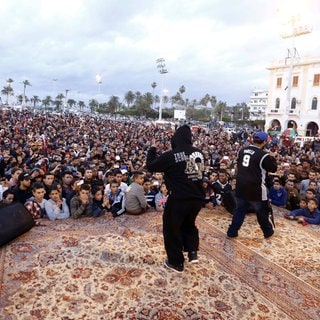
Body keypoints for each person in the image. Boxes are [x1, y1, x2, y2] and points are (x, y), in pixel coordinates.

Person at [147, 124, 205, 273]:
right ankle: (192, 252)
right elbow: (193, 173)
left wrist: (152, 149)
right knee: (189, 224)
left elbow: (151, 166)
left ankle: (176, 262)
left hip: (179, 198)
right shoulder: (199, 153)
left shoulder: (171, 155)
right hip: (197, 197)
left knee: (171, 228)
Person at [227, 132, 277, 239]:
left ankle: (232, 232)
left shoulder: (241, 151)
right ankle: (268, 232)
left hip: (241, 185)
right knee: (261, 211)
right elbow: (273, 169)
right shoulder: (264, 156)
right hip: (256, 188)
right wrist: (272, 157)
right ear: (264, 142)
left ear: (252, 140)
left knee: (239, 210)